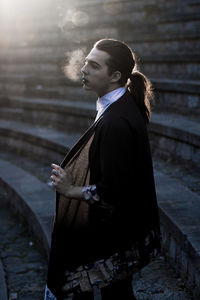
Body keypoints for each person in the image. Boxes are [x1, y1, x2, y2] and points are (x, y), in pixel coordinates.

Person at [44, 38, 162, 300]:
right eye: (85, 61)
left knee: (116, 295)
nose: (84, 69)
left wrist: (71, 189)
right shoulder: (119, 105)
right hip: (120, 226)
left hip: (119, 231)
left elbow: (113, 193)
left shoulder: (116, 122)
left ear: (115, 76)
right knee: (117, 293)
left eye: (94, 65)